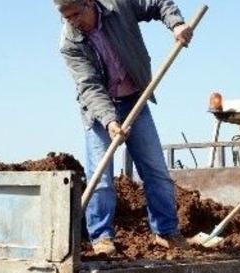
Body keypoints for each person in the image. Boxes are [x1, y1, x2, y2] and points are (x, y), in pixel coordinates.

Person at [56, 0, 193, 255]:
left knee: (156, 171)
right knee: (101, 176)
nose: (72, 21)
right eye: (66, 17)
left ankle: (167, 232)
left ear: (89, 3)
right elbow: (89, 86)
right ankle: (101, 238)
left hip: (135, 101)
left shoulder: (117, 6)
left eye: (75, 14)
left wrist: (176, 24)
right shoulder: (70, 43)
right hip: (98, 111)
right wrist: (109, 120)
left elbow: (159, 3)